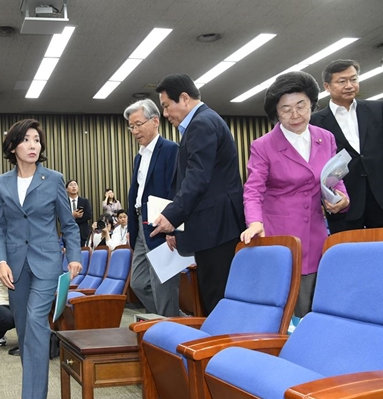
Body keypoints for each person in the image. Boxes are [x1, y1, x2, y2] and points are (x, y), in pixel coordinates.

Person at [0, 118, 82, 399]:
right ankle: (30, 391)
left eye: (37, 140)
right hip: (15, 266)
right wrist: (1, 262)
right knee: (25, 329)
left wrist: (74, 257)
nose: (33, 145)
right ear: (13, 146)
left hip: (46, 263)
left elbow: (68, 224)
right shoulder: (1, 183)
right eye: (26, 140)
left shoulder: (53, 178)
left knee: (36, 322)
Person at [241, 71, 349, 316]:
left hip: (316, 232)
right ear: (276, 113)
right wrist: (255, 222)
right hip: (281, 233)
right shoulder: (263, 145)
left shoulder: (326, 138)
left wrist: (342, 198)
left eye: (301, 106)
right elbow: (253, 189)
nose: (295, 115)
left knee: (320, 301)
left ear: (311, 103)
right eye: (286, 109)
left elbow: (335, 177)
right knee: (289, 305)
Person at [152, 73, 245, 315]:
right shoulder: (203, 122)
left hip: (216, 228)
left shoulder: (201, 124)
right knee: (214, 295)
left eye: (165, 105)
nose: (164, 113)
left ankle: (224, 350)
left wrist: (172, 216)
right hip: (215, 227)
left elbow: (197, 177)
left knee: (217, 298)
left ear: (183, 99)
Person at [310, 59, 383, 233]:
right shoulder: (315, 122)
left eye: (354, 79)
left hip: (379, 196)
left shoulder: (378, 109)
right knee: (346, 254)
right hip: (343, 201)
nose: (349, 85)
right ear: (327, 86)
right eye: (342, 81)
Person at [123, 99, 180, 316]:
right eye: (131, 126)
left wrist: (173, 226)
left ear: (155, 121)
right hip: (140, 224)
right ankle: (177, 320)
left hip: (162, 224)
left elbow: (176, 190)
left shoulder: (170, 150)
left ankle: (171, 328)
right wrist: (131, 226)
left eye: (138, 124)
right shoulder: (140, 156)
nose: (134, 131)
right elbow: (136, 194)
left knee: (163, 287)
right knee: (138, 283)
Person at [66, 179, 92, 247]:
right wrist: (72, 216)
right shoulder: (64, 203)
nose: (74, 187)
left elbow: (89, 215)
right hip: (69, 233)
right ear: (66, 189)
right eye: (71, 185)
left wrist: (75, 218)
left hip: (83, 233)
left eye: (75, 185)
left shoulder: (85, 201)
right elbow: (60, 218)